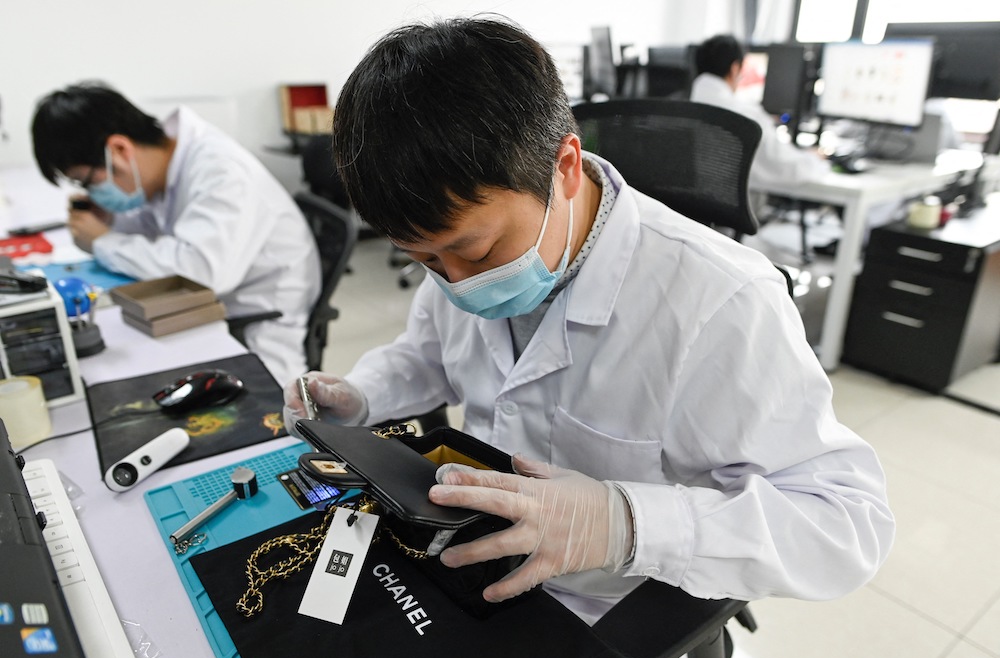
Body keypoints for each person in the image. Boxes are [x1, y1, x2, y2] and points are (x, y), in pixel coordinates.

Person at [284, 17, 894, 625]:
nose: (455, 282)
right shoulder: (455, 255)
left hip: (602, 602)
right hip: (470, 551)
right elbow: (428, 355)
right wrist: (361, 395)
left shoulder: (723, 300)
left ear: (566, 165)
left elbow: (844, 525)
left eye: (475, 252)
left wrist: (622, 523)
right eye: (423, 260)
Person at [31, 83, 321, 385]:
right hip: (215, 304)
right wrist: (112, 221)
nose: (90, 191)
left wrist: (103, 241)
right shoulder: (163, 167)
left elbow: (201, 271)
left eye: (87, 181)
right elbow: (158, 231)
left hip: (257, 320)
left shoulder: (220, 171)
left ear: (118, 149)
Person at [690, 34, 829, 191]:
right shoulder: (747, 116)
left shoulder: (679, 106)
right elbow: (787, 168)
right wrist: (814, 158)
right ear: (735, 68)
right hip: (723, 212)